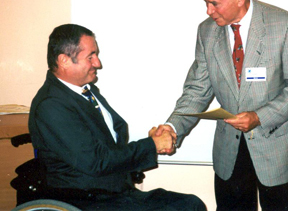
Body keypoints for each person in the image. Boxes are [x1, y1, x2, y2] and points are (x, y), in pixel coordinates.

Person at [157, 0, 288, 211]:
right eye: (205, 2)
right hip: (230, 149)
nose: (208, 10)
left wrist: (259, 116)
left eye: (214, 3)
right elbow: (197, 90)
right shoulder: (207, 32)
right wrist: (172, 126)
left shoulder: (285, 25)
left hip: (276, 143)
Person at [28, 24, 207, 211]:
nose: (98, 63)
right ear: (64, 60)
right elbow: (97, 161)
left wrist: (154, 141)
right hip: (87, 198)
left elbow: (111, 140)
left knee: (190, 204)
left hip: (112, 189)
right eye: (90, 56)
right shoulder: (51, 105)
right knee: (186, 207)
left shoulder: (85, 91)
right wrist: (152, 145)